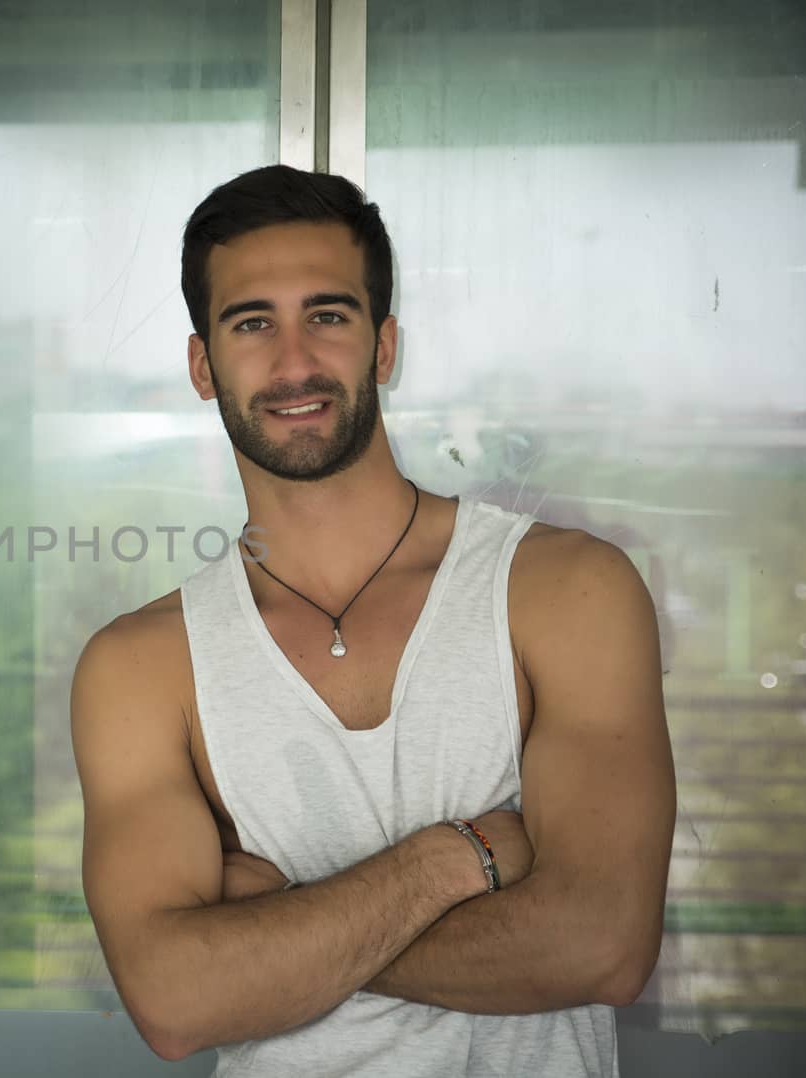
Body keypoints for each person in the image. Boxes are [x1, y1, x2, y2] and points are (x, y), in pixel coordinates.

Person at [69, 165, 676, 1077]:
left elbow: (603, 946)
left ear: (384, 347)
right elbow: (173, 1003)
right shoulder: (141, 666)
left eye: (328, 315)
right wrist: (449, 864)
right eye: (251, 323)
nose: (294, 362)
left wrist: (273, 937)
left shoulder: (564, 590)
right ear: (203, 366)